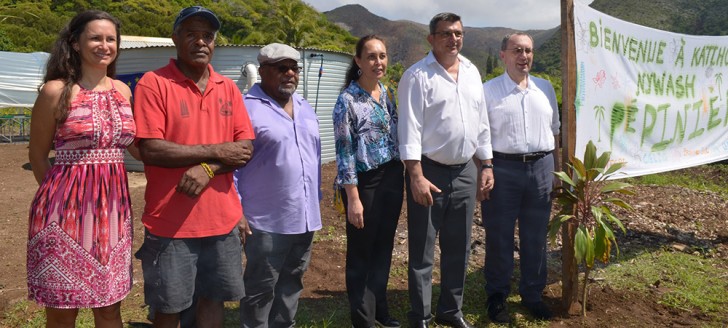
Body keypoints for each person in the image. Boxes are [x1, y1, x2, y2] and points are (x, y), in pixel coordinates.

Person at [132, 6, 254, 328]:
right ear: (176, 38)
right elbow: (151, 149)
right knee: (168, 307)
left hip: (222, 220)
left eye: (208, 36)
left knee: (213, 300)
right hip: (170, 222)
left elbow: (245, 149)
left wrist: (209, 168)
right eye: (191, 34)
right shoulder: (153, 84)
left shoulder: (227, 88)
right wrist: (218, 151)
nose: (201, 41)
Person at [27, 10, 136, 327]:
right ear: (75, 43)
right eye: (95, 38)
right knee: (63, 310)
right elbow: (37, 156)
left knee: (109, 308)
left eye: (111, 39)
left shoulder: (123, 91)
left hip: (114, 214)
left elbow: (137, 145)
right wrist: (59, 205)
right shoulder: (55, 91)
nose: (105, 45)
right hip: (64, 216)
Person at [397, 12, 494, 328]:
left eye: (458, 33)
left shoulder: (471, 71)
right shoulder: (417, 76)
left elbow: (480, 124)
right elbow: (409, 129)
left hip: (465, 171)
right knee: (423, 250)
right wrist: (415, 175)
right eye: (446, 34)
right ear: (431, 39)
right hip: (429, 172)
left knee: (459, 247)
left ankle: (451, 311)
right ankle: (420, 316)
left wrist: (487, 164)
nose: (454, 39)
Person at [234, 43, 322, 328]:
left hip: (305, 216)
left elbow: (315, 157)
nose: (290, 74)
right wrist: (237, 210)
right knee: (261, 287)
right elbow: (232, 165)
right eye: (281, 68)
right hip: (265, 220)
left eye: (294, 68)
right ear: (262, 72)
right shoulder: (246, 108)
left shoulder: (305, 107)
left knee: (292, 282)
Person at [481, 32, 561, 324]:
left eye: (528, 50)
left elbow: (555, 132)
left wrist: (558, 170)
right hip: (503, 169)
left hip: (542, 167)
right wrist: (485, 168)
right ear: (503, 55)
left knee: (536, 235)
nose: (523, 56)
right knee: (499, 236)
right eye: (517, 50)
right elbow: (481, 134)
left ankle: (532, 294)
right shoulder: (488, 90)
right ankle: (497, 296)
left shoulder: (545, 88)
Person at [333, 35, 404, 328]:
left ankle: (379, 310)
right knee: (362, 250)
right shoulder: (346, 101)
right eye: (372, 56)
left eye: (383, 56)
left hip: (391, 177)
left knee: (383, 246)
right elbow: (344, 153)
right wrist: (353, 198)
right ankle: (362, 318)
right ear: (358, 61)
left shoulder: (386, 93)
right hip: (364, 182)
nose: (379, 62)